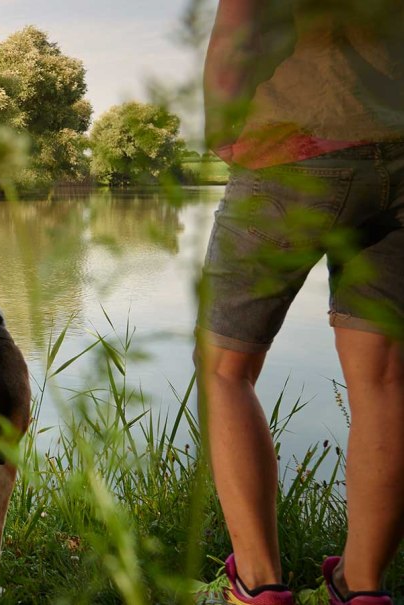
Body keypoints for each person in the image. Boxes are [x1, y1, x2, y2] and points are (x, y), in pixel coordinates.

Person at [199, 2, 404, 604]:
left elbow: (242, 18)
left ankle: (260, 585)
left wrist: (223, 129)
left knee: (224, 369)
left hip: (293, 143)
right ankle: (362, 586)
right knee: (386, 379)